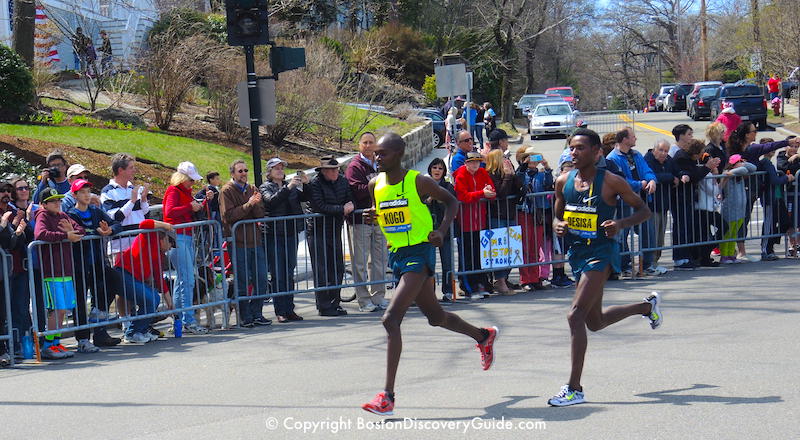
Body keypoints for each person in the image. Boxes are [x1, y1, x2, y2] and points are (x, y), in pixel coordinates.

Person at [360, 132, 498, 416]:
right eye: (375, 154)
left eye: (382, 153)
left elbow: (452, 202)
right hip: (396, 255)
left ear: (398, 155)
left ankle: (387, 396)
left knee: (390, 319)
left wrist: (442, 231)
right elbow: (386, 211)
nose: (377, 157)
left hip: (420, 253)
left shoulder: (418, 181)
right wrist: (372, 215)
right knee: (436, 318)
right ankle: (483, 336)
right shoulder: (375, 184)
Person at [548, 128, 661, 407]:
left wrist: (620, 224)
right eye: (571, 148)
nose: (574, 153)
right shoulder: (563, 181)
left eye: (580, 148)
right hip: (577, 252)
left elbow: (644, 211)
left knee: (575, 316)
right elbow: (556, 215)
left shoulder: (612, 181)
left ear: (597, 152)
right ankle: (646, 307)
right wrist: (558, 225)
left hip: (601, 253)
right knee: (594, 322)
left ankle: (574, 388)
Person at [66, 179, 124, 349]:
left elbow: (116, 224)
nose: (86, 195)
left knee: (113, 279)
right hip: (80, 265)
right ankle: (83, 340)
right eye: (82, 192)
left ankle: (100, 330)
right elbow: (78, 232)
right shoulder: (71, 214)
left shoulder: (96, 211)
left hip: (98, 262)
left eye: (88, 191)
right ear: (75, 195)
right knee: (80, 302)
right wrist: (91, 232)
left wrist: (109, 230)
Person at [33, 187, 85, 360]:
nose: (58, 203)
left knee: (63, 310)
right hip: (51, 271)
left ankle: (56, 342)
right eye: (54, 201)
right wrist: (65, 235)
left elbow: (80, 231)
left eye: (59, 200)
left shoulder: (63, 216)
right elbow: (40, 233)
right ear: (44, 204)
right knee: (56, 309)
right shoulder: (42, 215)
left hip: (66, 270)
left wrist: (72, 231)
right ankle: (48, 345)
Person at [219, 159, 270, 328]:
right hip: (238, 242)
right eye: (240, 171)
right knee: (241, 281)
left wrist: (255, 204)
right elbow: (229, 216)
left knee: (261, 279)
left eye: (245, 170)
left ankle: (257, 313)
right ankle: (244, 316)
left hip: (255, 241)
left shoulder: (252, 188)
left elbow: (260, 213)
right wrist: (249, 204)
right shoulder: (226, 191)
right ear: (232, 174)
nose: (244, 174)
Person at [606, 127, 660, 277]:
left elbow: (646, 169)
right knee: (622, 236)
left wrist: (651, 180)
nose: (635, 139)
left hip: (640, 202)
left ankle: (647, 265)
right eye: (633, 136)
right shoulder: (613, 158)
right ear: (624, 139)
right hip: (624, 203)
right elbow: (620, 180)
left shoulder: (636, 154)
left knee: (648, 232)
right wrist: (639, 184)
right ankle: (625, 266)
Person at [259, 158, 308, 323]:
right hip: (274, 234)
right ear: (269, 172)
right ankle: (280, 310)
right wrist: (288, 187)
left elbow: (305, 198)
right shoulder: (265, 187)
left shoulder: (291, 186)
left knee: (289, 272)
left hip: (290, 233)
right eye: (276, 168)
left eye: (281, 168)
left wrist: (306, 185)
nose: (280, 170)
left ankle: (289, 308)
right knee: (278, 273)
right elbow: (272, 201)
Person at [345, 132, 389, 312]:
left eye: (372, 142)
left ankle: (378, 297)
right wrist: (379, 183)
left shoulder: (381, 163)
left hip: (380, 219)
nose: (369, 145)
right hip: (361, 219)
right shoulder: (354, 166)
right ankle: (364, 300)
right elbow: (357, 190)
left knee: (380, 261)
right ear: (359, 145)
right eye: (365, 142)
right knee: (360, 263)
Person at [163, 161, 208, 334]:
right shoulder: (174, 190)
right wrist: (190, 206)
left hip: (184, 237)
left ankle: (180, 320)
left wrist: (200, 204)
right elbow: (170, 212)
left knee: (183, 280)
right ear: (182, 178)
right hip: (178, 237)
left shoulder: (184, 191)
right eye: (190, 179)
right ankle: (187, 320)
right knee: (187, 280)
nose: (193, 183)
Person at [114, 219, 174, 343]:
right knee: (150, 299)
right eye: (171, 244)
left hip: (133, 278)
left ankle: (140, 330)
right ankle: (132, 333)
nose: (170, 248)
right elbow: (143, 223)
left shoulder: (160, 255)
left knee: (155, 298)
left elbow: (159, 279)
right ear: (164, 239)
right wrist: (165, 225)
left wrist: (170, 303)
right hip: (124, 273)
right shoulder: (150, 236)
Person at [307, 156, 354, 316]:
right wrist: (342, 209)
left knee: (337, 268)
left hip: (334, 230)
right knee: (322, 270)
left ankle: (335, 303)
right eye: (331, 169)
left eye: (336, 169)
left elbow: (350, 198)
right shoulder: (315, 183)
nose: (335, 172)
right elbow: (319, 206)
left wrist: (350, 205)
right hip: (318, 231)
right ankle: (324, 305)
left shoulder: (342, 181)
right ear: (324, 171)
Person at [672, 139, 721, 269]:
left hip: (689, 199)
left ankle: (689, 256)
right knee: (682, 229)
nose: (701, 156)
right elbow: (694, 176)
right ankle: (680, 257)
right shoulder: (682, 157)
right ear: (695, 152)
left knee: (689, 229)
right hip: (680, 198)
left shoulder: (689, 158)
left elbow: (694, 173)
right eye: (700, 153)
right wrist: (707, 167)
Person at [453, 152, 496, 298]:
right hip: (466, 223)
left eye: (477, 161)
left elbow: (492, 191)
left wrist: (486, 193)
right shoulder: (460, 175)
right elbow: (463, 196)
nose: (475, 164)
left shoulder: (482, 172)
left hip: (481, 222)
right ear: (466, 163)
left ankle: (481, 284)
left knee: (480, 255)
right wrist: (482, 193)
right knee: (467, 256)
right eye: (472, 162)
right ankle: (467, 287)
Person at [0, 180, 33, 360]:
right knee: (6, 311)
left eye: (7, 191)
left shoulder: (13, 212)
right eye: (1, 191)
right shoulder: (5, 216)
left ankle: (19, 346)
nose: (5, 194)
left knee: (20, 308)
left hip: (18, 268)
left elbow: (19, 242)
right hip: (4, 270)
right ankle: (9, 348)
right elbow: (5, 241)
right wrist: (9, 226)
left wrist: (19, 229)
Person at [516, 147, 556, 290]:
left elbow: (548, 183)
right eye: (530, 158)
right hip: (525, 213)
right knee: (525, 247)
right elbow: (517, 182)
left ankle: (535, 277)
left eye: (535, 158)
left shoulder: (540, 174)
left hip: (539, 214)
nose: (533, 161)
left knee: (535, 246)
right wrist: (523, 165)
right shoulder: (522, 173)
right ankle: (525, 279)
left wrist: (546, 167)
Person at [485, 149, 522, 294]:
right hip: (497, 215)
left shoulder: (508, 174)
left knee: (511, 248)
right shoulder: (491, 175)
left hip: (509, 214)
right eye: (503, 158)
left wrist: (514, 174)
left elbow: (521, 190)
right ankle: (499, 281)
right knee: (499, 251)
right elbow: (501, 193)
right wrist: (507, 177)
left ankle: (504, 278)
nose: (506, 160)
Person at [101, 153, 151, 255]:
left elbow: (146, 215)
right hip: (120, 248)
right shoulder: (107, 192)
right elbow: (116, 217)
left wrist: (144, 200)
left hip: (140, 245)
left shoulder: (134, 189)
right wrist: (132, 201)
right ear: (120, 170)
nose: (134, 170)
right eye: (131, 168)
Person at [424, 158, 456, 302]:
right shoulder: (423, 186)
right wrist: (428, 200)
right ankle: (429, 293)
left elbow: (451, 203)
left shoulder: (448, 186)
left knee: (447, 262)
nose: (437, 170)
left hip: (444, 230)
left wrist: (439, 197)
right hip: (427, 231)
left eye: (440, 168)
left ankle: (448, 291)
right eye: (435, 167)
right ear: (430, 169)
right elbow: (418, 204)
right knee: (428, 263)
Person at [756, 139, 794, 260]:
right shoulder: (765, 162)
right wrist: (786, 179)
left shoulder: (769, 162)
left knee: (785, 223)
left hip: (777, 196)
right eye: (768, 147)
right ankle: (765, 250)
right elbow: (774, 180)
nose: (772, 150)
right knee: (769, 224)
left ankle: (771, 245)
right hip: (769, 197)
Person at [644, 140, 677, 265]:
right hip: (651, 205)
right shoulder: (647, 160)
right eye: (661, 150)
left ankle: (655, 261)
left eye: (666, 151)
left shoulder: (668, 160)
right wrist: (670, 178)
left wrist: (681, 175)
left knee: (660, 238)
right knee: (652, 236)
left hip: (663, 205)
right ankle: (649, 263)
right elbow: (652, 176)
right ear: (654, 150)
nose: (664, 154)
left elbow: (676, 170)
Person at [719, 155, 757, 264]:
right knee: (728, 233)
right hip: (730, 207)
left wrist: (743, 164)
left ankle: (731, 254)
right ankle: (724, 255)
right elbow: (744, 169)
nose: (741, 163)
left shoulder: (739, 173)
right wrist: (738, 167)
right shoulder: (727, 172)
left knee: (734, 233)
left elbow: (752, 168)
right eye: (738, 161)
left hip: (740, 208)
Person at [776, 137, 800, 255]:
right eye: (792, 146)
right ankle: (792, 245)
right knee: (791, 221)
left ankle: (798, 245)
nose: (794, 149)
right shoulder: (781, 157)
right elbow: (785, 168)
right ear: (787, 146)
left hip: (798, 193)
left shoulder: (798, 158)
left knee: (799, 221)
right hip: (789, 194)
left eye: (797, 147)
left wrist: (797, 157)